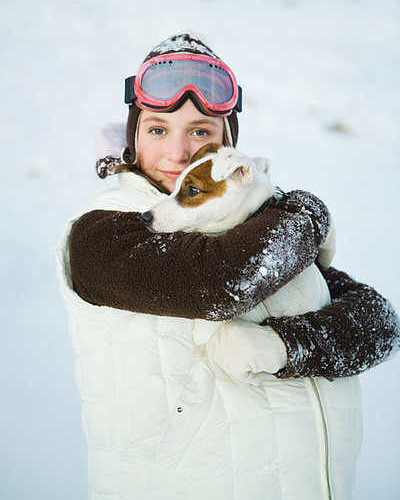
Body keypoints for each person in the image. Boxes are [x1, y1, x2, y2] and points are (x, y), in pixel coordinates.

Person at [56, 33, 400, 500]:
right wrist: (306, 216)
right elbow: (224, 281)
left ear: (225, 145)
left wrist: (285, 345)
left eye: (200, 132)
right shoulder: (102, 234)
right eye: (157, 129)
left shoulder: (257, 227)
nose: (178, 154)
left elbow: (378, 324)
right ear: (132, 139)